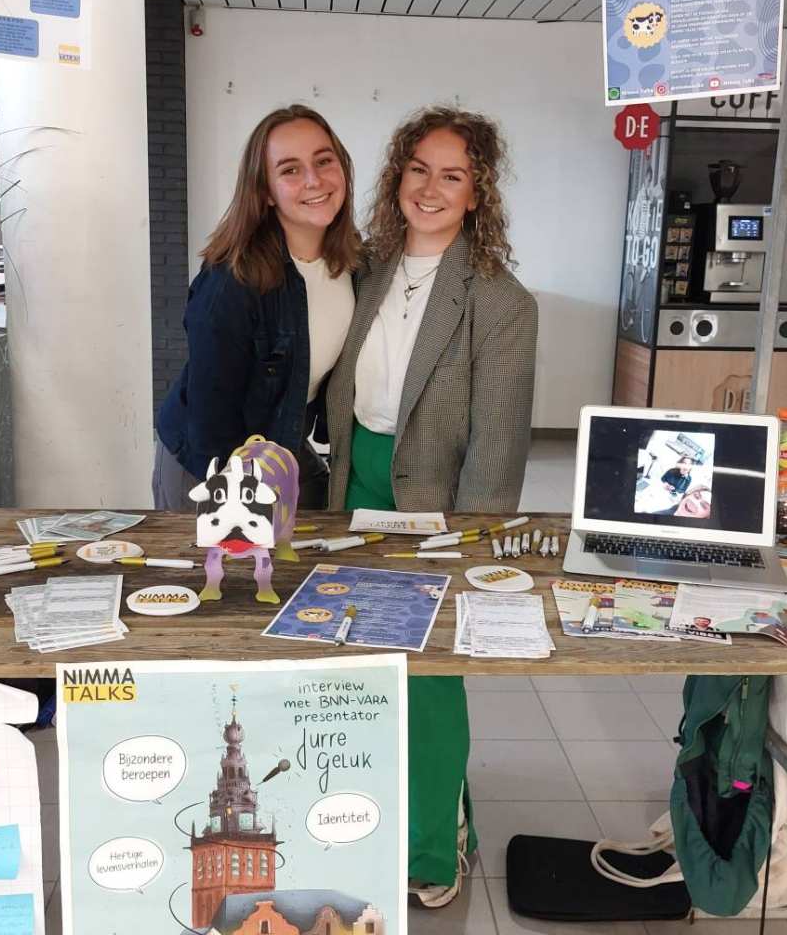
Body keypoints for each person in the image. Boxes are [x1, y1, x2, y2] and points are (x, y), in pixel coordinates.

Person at [326, 106, 538, 907]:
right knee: (367, 667)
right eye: (419, 168)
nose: (432, 187)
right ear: (397, 176)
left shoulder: (502, 301)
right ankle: (426, 810)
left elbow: (498, 444)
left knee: (430, 674)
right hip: (354, 484)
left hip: (438, 502)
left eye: (454, 175)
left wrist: (471, 545)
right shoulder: (366, 266)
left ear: (478, 193)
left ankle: (433, 850)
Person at [154, 106, 359, 510]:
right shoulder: (231, 282)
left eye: (323, 161)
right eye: (290, 170)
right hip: (209, 466)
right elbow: (211, 422)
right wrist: (237, 507)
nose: (314, 180)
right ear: (265, 191)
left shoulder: (352, 264)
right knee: (225, 571)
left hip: (280, 443)